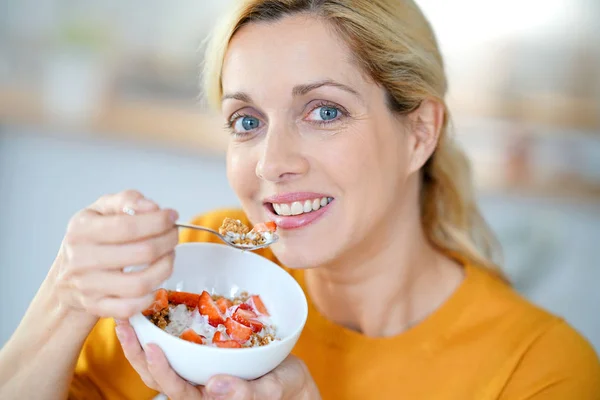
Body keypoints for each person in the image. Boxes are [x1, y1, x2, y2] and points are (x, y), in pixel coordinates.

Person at [1, 0, 599, 399]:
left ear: (419, 132)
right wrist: (66, 296)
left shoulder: (538, 371)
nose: (271, 163)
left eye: (325, 111)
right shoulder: (189, 275)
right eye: (246, 120)